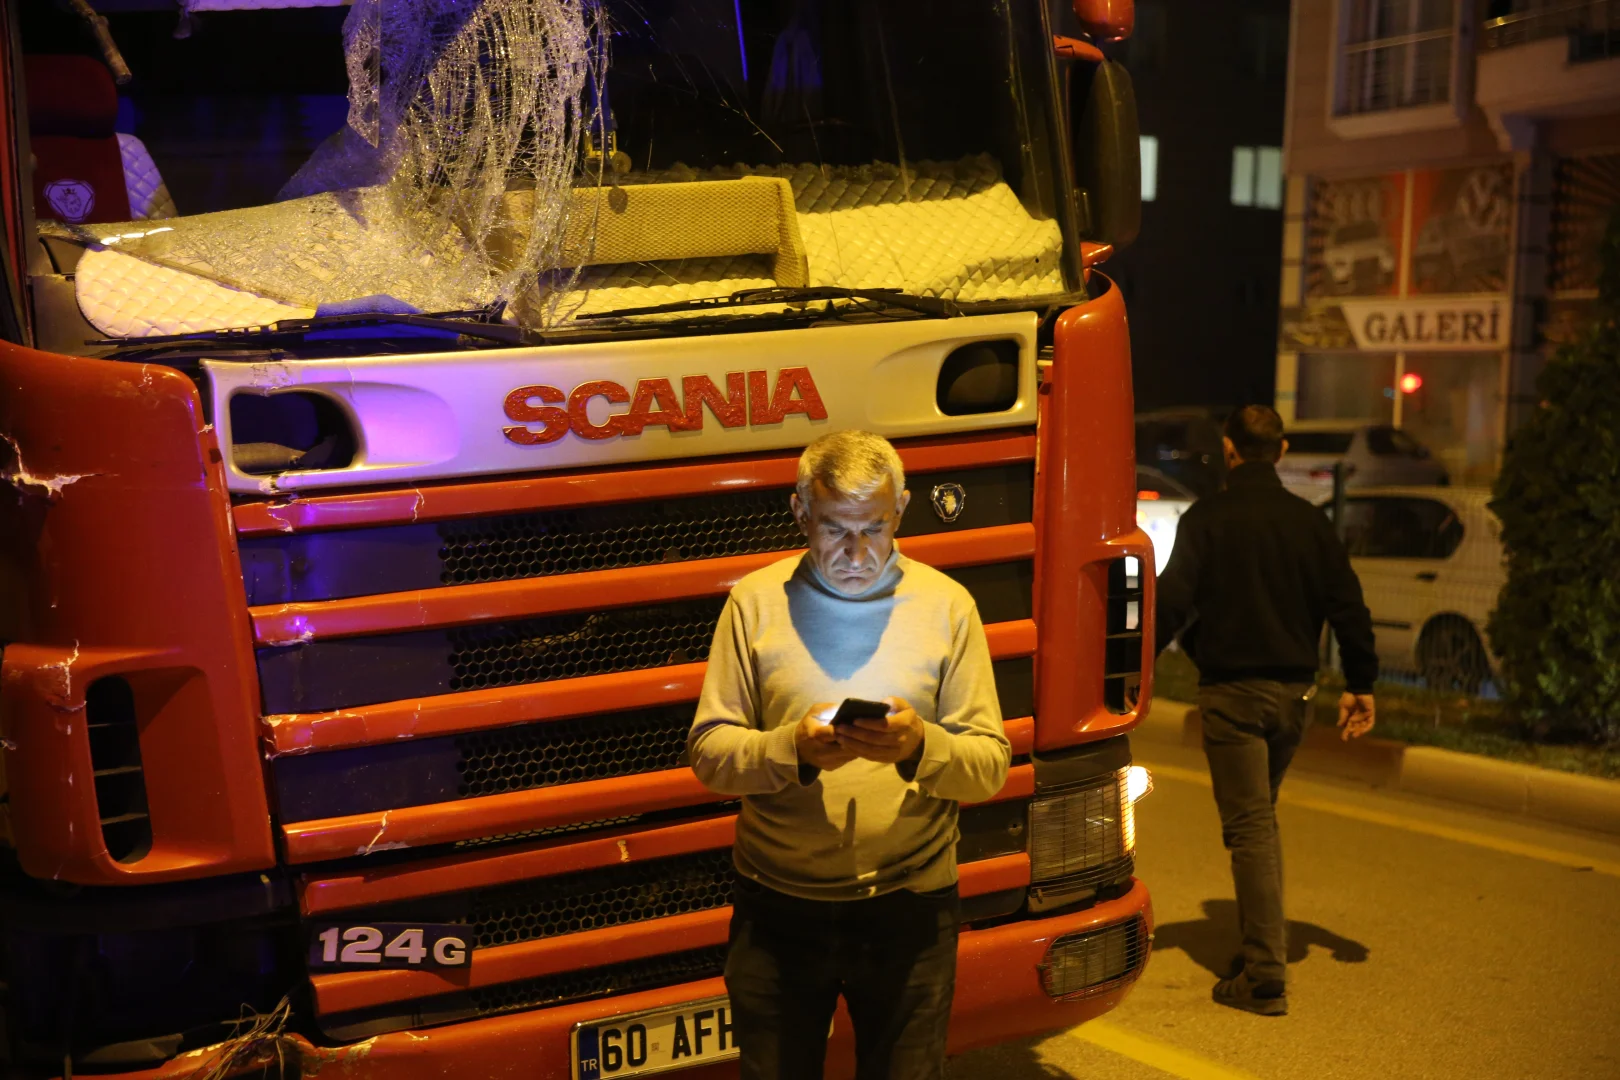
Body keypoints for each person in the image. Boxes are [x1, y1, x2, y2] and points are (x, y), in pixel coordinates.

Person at [688, 429, 1010, 1080]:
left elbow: (990, 766)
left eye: (876, 528)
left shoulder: (949, 606)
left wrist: (922, 746)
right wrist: (790, 749)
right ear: (800, 511)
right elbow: (710, 754)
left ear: (901, 510)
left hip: (911, 914)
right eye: (835, 529)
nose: (857, 554)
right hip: (777, 913)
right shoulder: (753, 604)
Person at [1155, 405, 1377, 1017]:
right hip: (1295, 700)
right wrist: (1362, 682)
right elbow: (1348, 603)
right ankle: (1261, 945)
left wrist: (1131, 666)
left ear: (1229, 451)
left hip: (1232, 698)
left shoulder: (1207, 520)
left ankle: (1263, 974)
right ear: (1279, 453)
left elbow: (1172, 600)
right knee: (1261, 820)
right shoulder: (1309, 524)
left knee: (1249, 828)